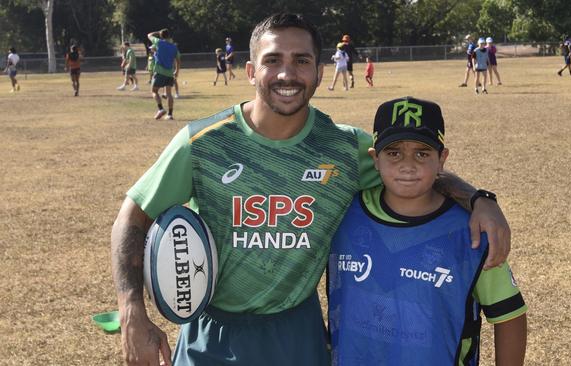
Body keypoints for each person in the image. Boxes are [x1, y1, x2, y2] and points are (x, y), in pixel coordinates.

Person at [111, 13, 511, 366]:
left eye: (301, 61)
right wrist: (131, 309)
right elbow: (133, 214)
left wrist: (479, 199)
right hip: (212, 332)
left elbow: (413, 171)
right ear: (250, 71)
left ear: (319, 72)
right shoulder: (201, 143)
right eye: (273, 61)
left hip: (296, 333)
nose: (288, 74)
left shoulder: (344, 147)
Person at [329, 96, 528, 366]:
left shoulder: (470, 232)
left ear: (442, 158)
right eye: (393, 152)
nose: (407, 165)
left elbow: (509, 314)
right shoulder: (344, 213)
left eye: (422, 153)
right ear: (375, 158)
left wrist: (483, 200)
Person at [147, 28, 180, 120]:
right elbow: (178, 60)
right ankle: (170, 114)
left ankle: (161, 109)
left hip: (159, 72)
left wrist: (157, 32)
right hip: (169, 73)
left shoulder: (158, 42)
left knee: (154, 91)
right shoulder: (174, 47)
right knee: (169, 94)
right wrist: (176, 71)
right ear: (169, 36)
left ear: (161, 36)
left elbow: (149, 34)